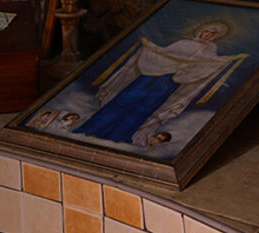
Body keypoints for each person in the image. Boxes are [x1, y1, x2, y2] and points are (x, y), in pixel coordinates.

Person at [74, 22, 247, 146]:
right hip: (151, 75)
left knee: (144, 108)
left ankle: (119, 136)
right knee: (125, 99)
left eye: (212, 34)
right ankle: (93, 128)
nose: (208, 35)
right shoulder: (183, 43)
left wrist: (229, 59)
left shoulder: (210, 50)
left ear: (215, 37)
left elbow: (209, 65)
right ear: (201, 30)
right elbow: (163, 53)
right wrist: (150, 46)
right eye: (207, 31)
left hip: (170, 82)